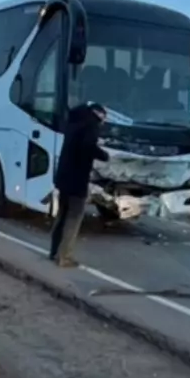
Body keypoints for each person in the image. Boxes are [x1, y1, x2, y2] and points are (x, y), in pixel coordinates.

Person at [49, 102, 109, 268]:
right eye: (104, 116)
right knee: (74, 217)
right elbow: (88, 146)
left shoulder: (73, 123)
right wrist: (103, 155)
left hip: (63, 177)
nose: (104, 121)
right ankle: (64, 257)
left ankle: (54, 251)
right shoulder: (91, 126)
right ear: (97, 113)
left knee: (62, 214)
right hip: (77, 179)